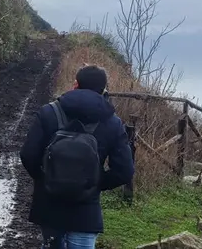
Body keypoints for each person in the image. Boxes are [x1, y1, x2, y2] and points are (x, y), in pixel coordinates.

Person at [19, 64, 135, 249]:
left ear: (75, 85)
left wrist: (47, 179)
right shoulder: (112, 122)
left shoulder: (49, 112)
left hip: (49, 206)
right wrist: (94, 183)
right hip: (86, 211)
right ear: (104, 89)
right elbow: (125, 170)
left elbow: (28, 155)